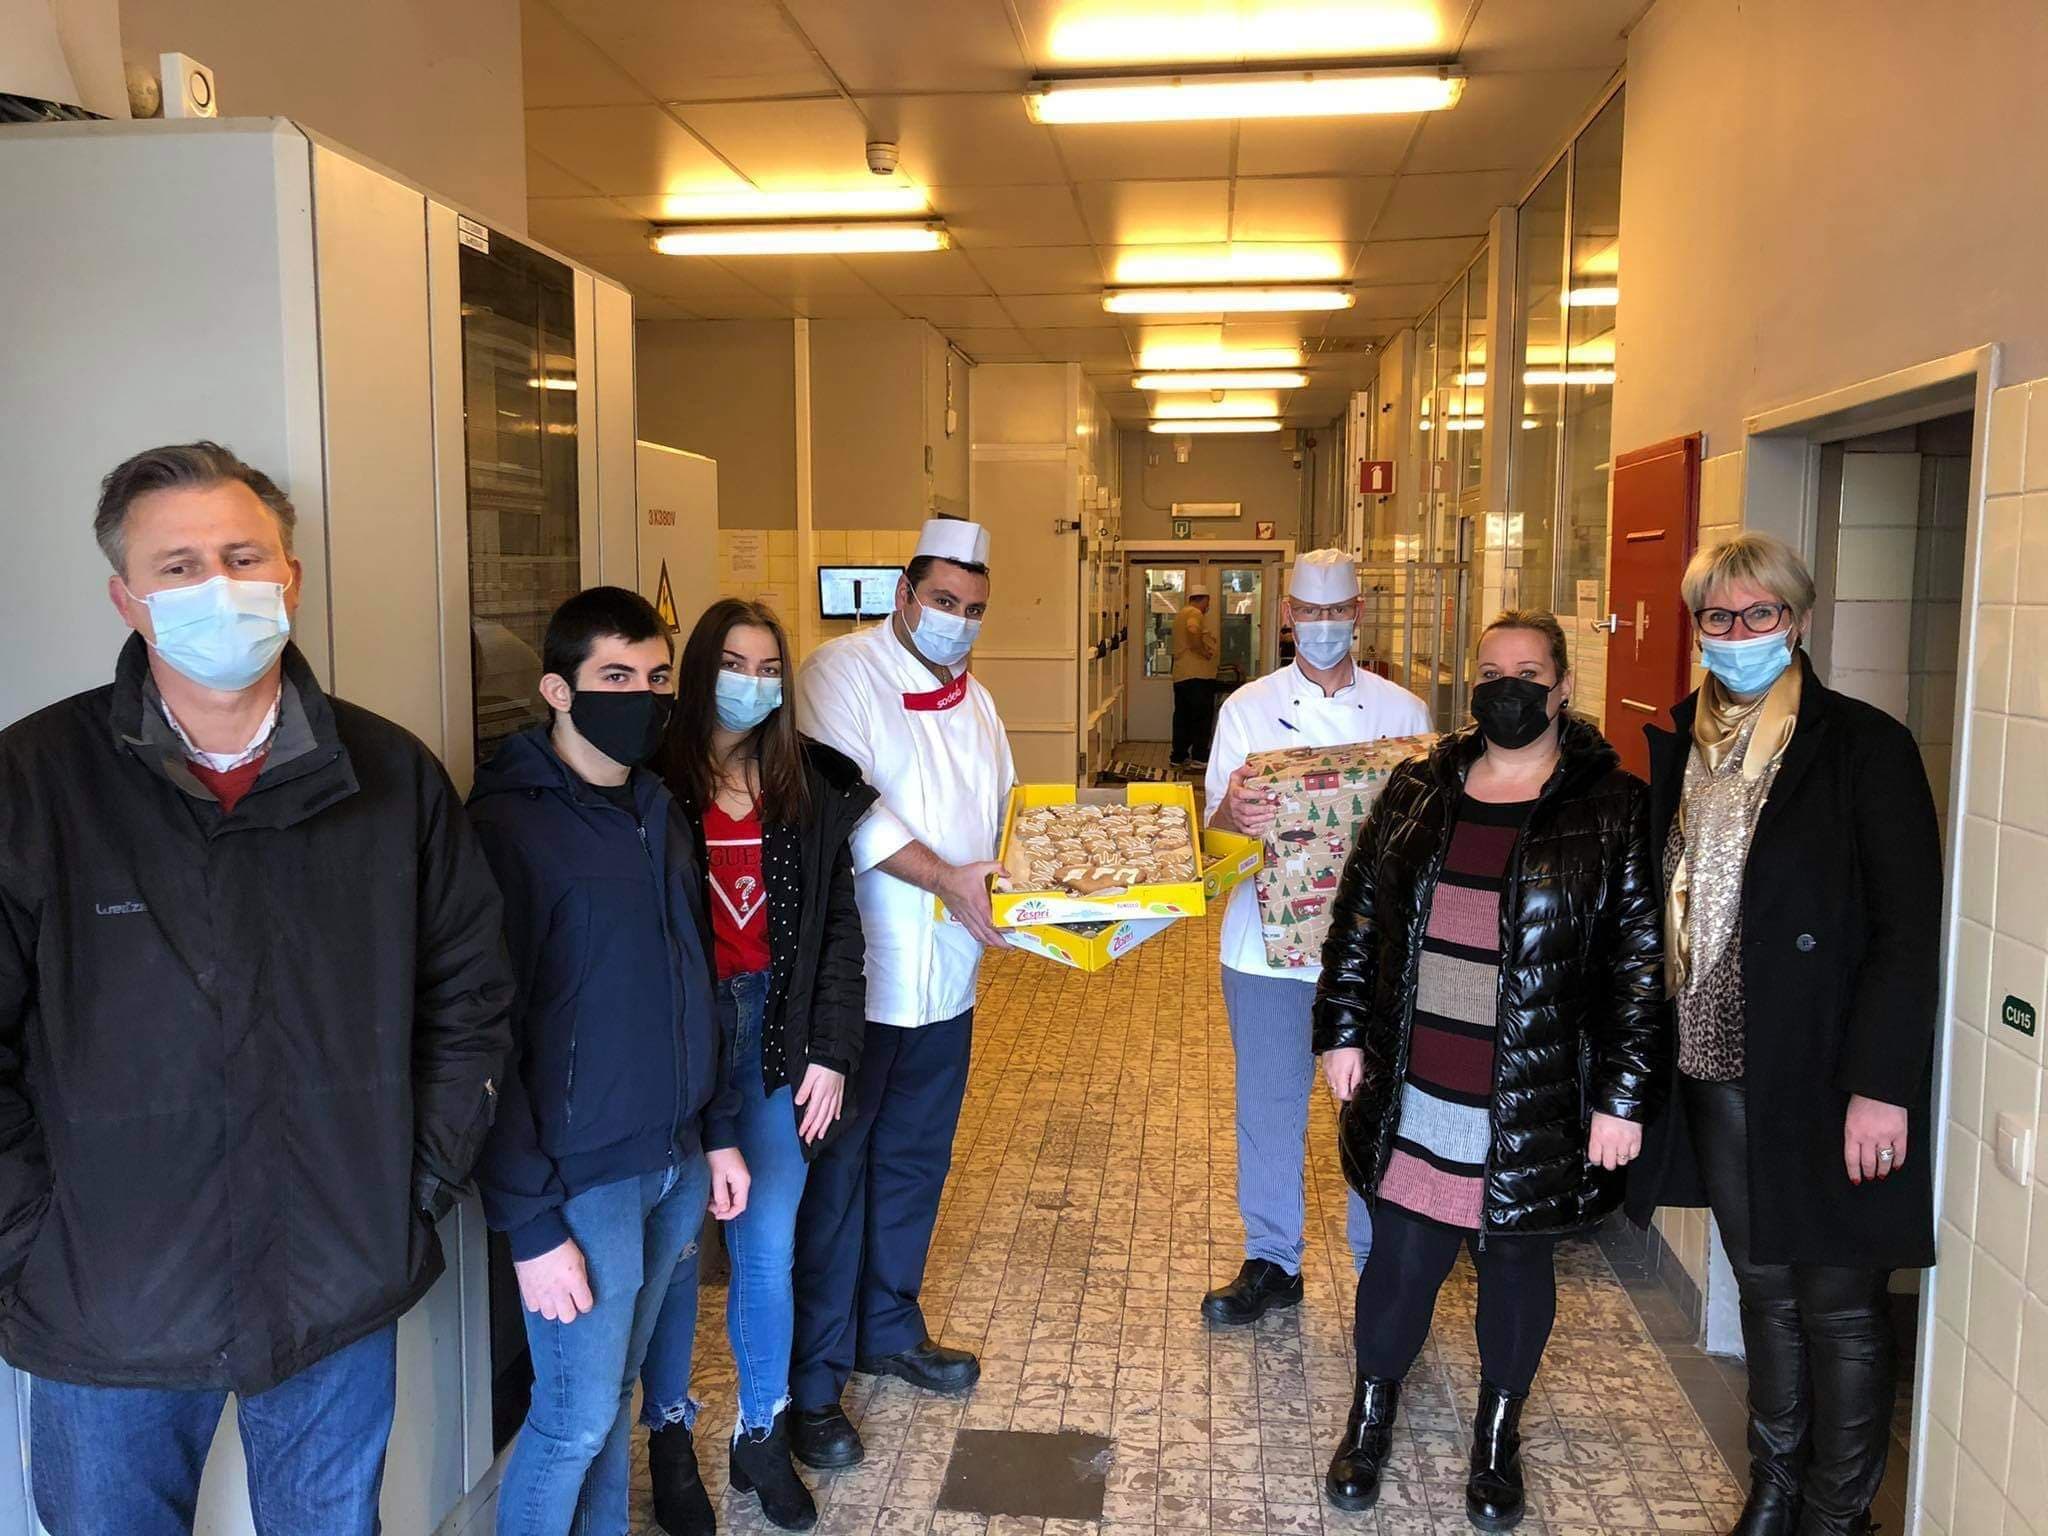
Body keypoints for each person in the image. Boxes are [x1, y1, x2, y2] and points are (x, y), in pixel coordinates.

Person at [0, 442, 512, 1535]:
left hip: (331, 1287)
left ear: (289, 576)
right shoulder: (33, 784)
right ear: (126, 598)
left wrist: (403, 1194)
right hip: (103, 1309)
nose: (217, 585)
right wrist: (30, 1241)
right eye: (178, 565)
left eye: (243, 555)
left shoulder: (390, 779)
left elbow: (468, 1001)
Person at [1314, 609, 1666, 1530]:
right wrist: (1342, 1033)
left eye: (1527, 671)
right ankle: (1370, 1412)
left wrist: (1620, 1099)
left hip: (1532, 1092)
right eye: (1490, 670)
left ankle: (1498, 1434)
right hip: (1418, 1074)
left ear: (1561, 688)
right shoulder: (1419, 789)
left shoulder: (1610, 805)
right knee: (1400, 1262)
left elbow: (1638, 965)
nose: (1506, 687)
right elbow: (1359, 920)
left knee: (1514, 1267)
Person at [1627, 534, 1938, 1536]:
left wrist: (1879, 1083)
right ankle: (1772, 1488)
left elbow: (1904, 928)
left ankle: (1834, 1513)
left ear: (1796, 622)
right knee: (1761, 1283)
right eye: (1715, 617)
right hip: (1714, 1060)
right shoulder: (1681, 745)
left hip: (1825, 1064)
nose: (1735, 635)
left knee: (1838, 1299)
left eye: (1757, 615)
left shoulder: (1861, 745)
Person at [467, 587, 749, 1536]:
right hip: (577, 1177)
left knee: (619, 1397)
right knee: (572, 1420)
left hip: (669, 1156)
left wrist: (713, 1136)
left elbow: (692, 976)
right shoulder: (508, 831)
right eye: (615, 678)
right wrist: (530, 1222)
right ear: (557, 688)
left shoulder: (656, 808)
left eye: (657, 678)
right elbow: (485, 1039)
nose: (642, 697)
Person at [638, 599, 876, 1535]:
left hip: (775, 1035)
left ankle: (760, 1433)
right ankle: (667, 1437)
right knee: (672, 1255)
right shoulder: (650, 783)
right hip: (681, 1042)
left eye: (771, 667)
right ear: (701, 671)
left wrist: (832, 1050)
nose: (754, 681)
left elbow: (837, 930)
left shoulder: (803, 786)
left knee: (765, 1252)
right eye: (735, 663)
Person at [786, 517, 1015, 1471]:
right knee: (836, 1178)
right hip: (858, 986)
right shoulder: (840, 676)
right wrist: (953, 880)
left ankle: (889, 1327)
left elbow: (1006, 813)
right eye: (943, 602)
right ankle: (815, 1382)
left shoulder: (980, 702)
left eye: (973, 609)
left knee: (917, 1163)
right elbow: (852, 813)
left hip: (945, 982)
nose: (957, 622)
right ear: (903, 596)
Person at [1200, 549, 1431, 1328]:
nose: (1323, 627)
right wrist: (1234, 814)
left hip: (1370, 954)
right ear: (1286, 616)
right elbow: (1214, 839)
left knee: (1369, 1107)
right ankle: (1272, 1261)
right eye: (1309, 613)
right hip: (1263, 950)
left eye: (1338, 613)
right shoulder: (1247, 710)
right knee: (1268, 1104)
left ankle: (1378, 1264)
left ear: (1357, 613)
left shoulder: (1403, 714)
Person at [1170, 585, 1219, 767]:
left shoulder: (1180, 614)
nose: (1208, 606)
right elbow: (1192, 630)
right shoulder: (1194, 614)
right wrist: (1203, 651)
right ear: (1203, 600)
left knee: (1182, 716)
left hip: (1182, 674)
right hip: (1197, 676)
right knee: (1201, 716)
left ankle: (1179, 756)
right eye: (1208, 602)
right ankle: (1199, 756)